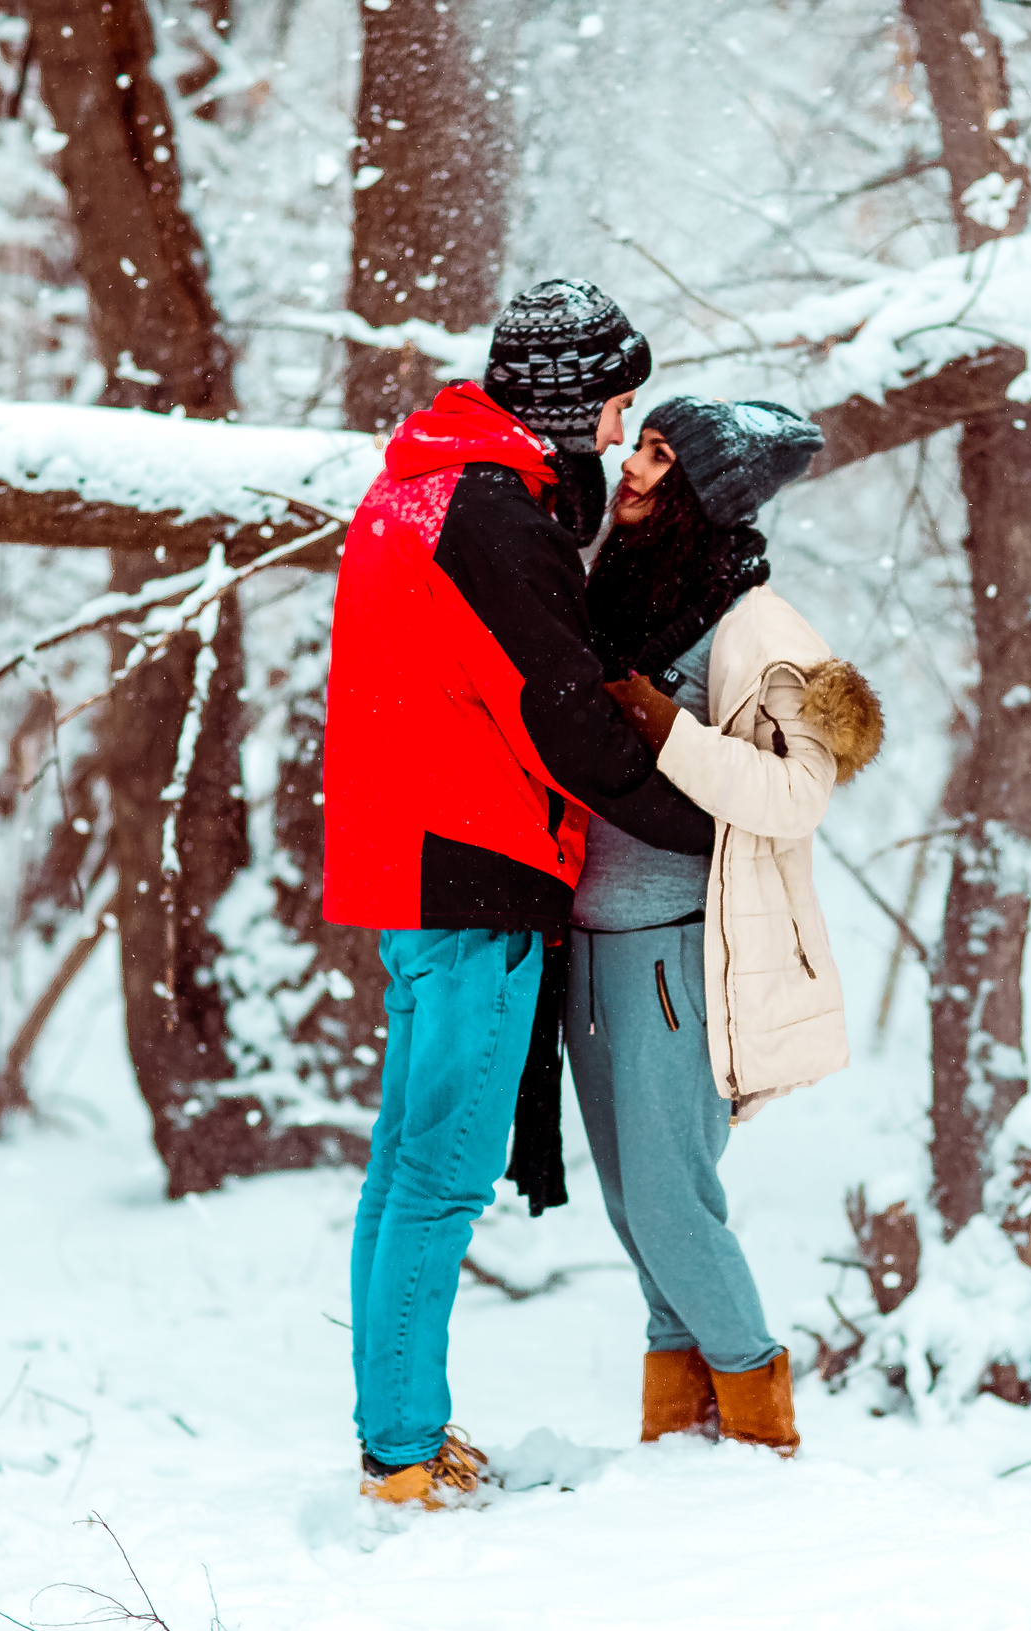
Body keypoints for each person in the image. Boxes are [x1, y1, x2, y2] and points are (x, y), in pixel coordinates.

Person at [322, 281, 715, 1512]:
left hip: (417, 865)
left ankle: (397, 1433)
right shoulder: (488, 516)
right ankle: (400, 1456)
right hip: (473, 872)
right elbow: (564, 716)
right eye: (612, 405)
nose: (618, 430)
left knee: (403, 1166)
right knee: (438, 1173)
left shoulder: (429, 484)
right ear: (558, 403)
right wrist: (709, 822)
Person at [570, 396, 883, 1458]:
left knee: (670, 1200)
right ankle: (681, 1441)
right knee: (626, 1203)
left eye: (661, 459)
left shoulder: (756, 626)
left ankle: (759, 1422)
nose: (636, 471)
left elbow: (798, 796)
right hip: (586, 944)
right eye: (641, 446)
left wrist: (666, 728)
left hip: (671, 947)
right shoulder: (616, 593)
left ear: (706, 495)